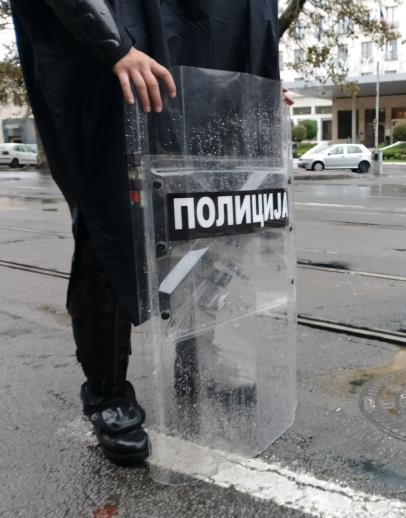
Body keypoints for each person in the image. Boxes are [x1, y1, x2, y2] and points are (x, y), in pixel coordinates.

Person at [11, 0, 282, 466]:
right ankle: (107, 391)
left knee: (209, 221)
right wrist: (113, 45)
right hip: (117, 59)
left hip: (207, 72)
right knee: (112, 223)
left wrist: (257, 79)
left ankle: (197, 357)